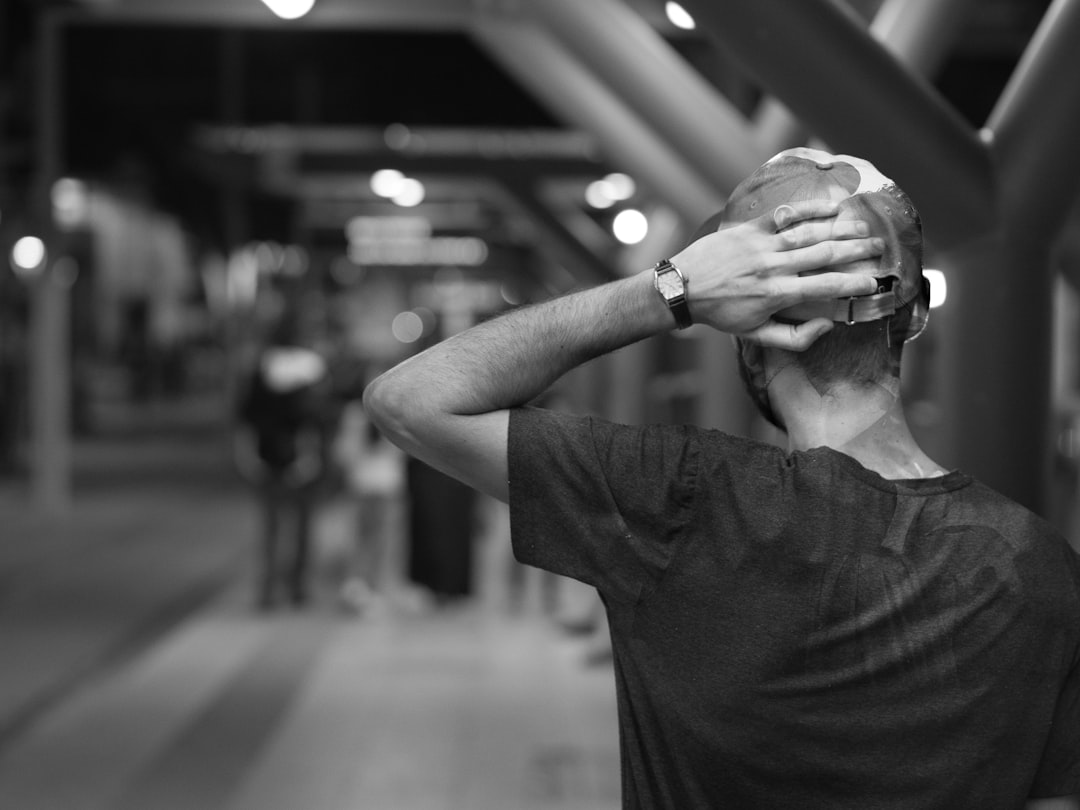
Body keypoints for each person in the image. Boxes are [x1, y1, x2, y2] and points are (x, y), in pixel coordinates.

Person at [363, 148, 1080, 808]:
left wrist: (669, 290)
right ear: (915, 313)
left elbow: (408, 401)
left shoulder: (677, 502)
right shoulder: (1041, 567)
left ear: (745, 328)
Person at [235, 310, 331, 609]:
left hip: (269, 457)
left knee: (272, 529)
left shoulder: (261, 367)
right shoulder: (313, 368)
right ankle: (297, 589)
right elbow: (318, 422)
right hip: (300, 459)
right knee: (300, 527)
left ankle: (269, 591)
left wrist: (248, 455)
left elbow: (246, 418)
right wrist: (312, 455)